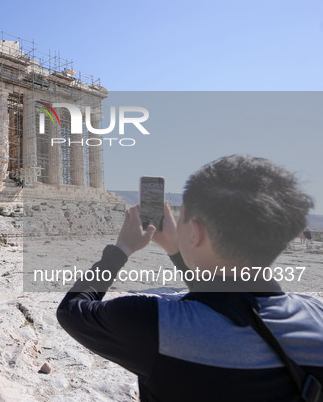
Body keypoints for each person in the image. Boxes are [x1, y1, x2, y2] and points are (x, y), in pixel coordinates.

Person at [57, 155, 323, 402]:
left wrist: (120, 250)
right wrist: (177, 249)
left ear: (194, 231)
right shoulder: (316, 316)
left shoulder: (155, 323)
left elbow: (72, 310)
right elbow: (223, 300)